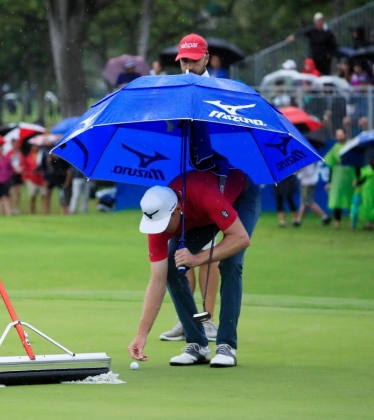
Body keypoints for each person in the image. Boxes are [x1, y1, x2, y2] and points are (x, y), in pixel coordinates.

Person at [128, 169, 261, 368]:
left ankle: (226, 345)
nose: (161, 230)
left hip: (238, 197)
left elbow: (241, 238)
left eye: (164, 224)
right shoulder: (157, 222)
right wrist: (141, 335)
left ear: (178, 209)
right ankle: (198, 344)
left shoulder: (203, 193)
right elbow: (157, 281)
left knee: (231, 263)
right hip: (202, 215)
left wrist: (197, 258)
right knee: (173, 268)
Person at [157, 33, 219, 342]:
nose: (188, 65)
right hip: (182, 178)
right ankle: (189, 316)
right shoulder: (174, 90)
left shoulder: (219, 91)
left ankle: (206, 319)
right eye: (184, 59)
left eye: (194, 59)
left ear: (206, 59)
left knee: (206, 254)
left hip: (212, 180)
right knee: (183, 249)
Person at [324, 128, 356, 229]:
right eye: (337, 134)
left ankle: (352, 221)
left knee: (352, 198)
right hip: (337, 176)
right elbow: (331, 165)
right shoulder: (335, 148)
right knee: (336, 199)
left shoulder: (352, 145)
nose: (339, 136)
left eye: (341, 134)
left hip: (350, 174)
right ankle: (337, 222)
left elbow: (357, 162)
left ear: (345, 134)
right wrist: (330, 181)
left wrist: (356, 178)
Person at [21, 144, 47, 214]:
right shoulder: (29, 157)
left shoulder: (42, 155)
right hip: (32, 179)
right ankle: (32, 212)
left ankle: (45, 212)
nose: (35, 147)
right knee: (33, 197)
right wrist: (25, 177)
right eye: (33, 146)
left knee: (44, 196)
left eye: (36, 146)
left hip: (41, 179)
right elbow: (26, 168)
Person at [354, 156, 374, 230]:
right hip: (368, 192)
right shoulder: (367, 171)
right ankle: (370, 224)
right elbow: (363, 179)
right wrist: (358, 182)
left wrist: (357, 182)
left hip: (369, 191)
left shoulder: (368, 171)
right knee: (369, 207)